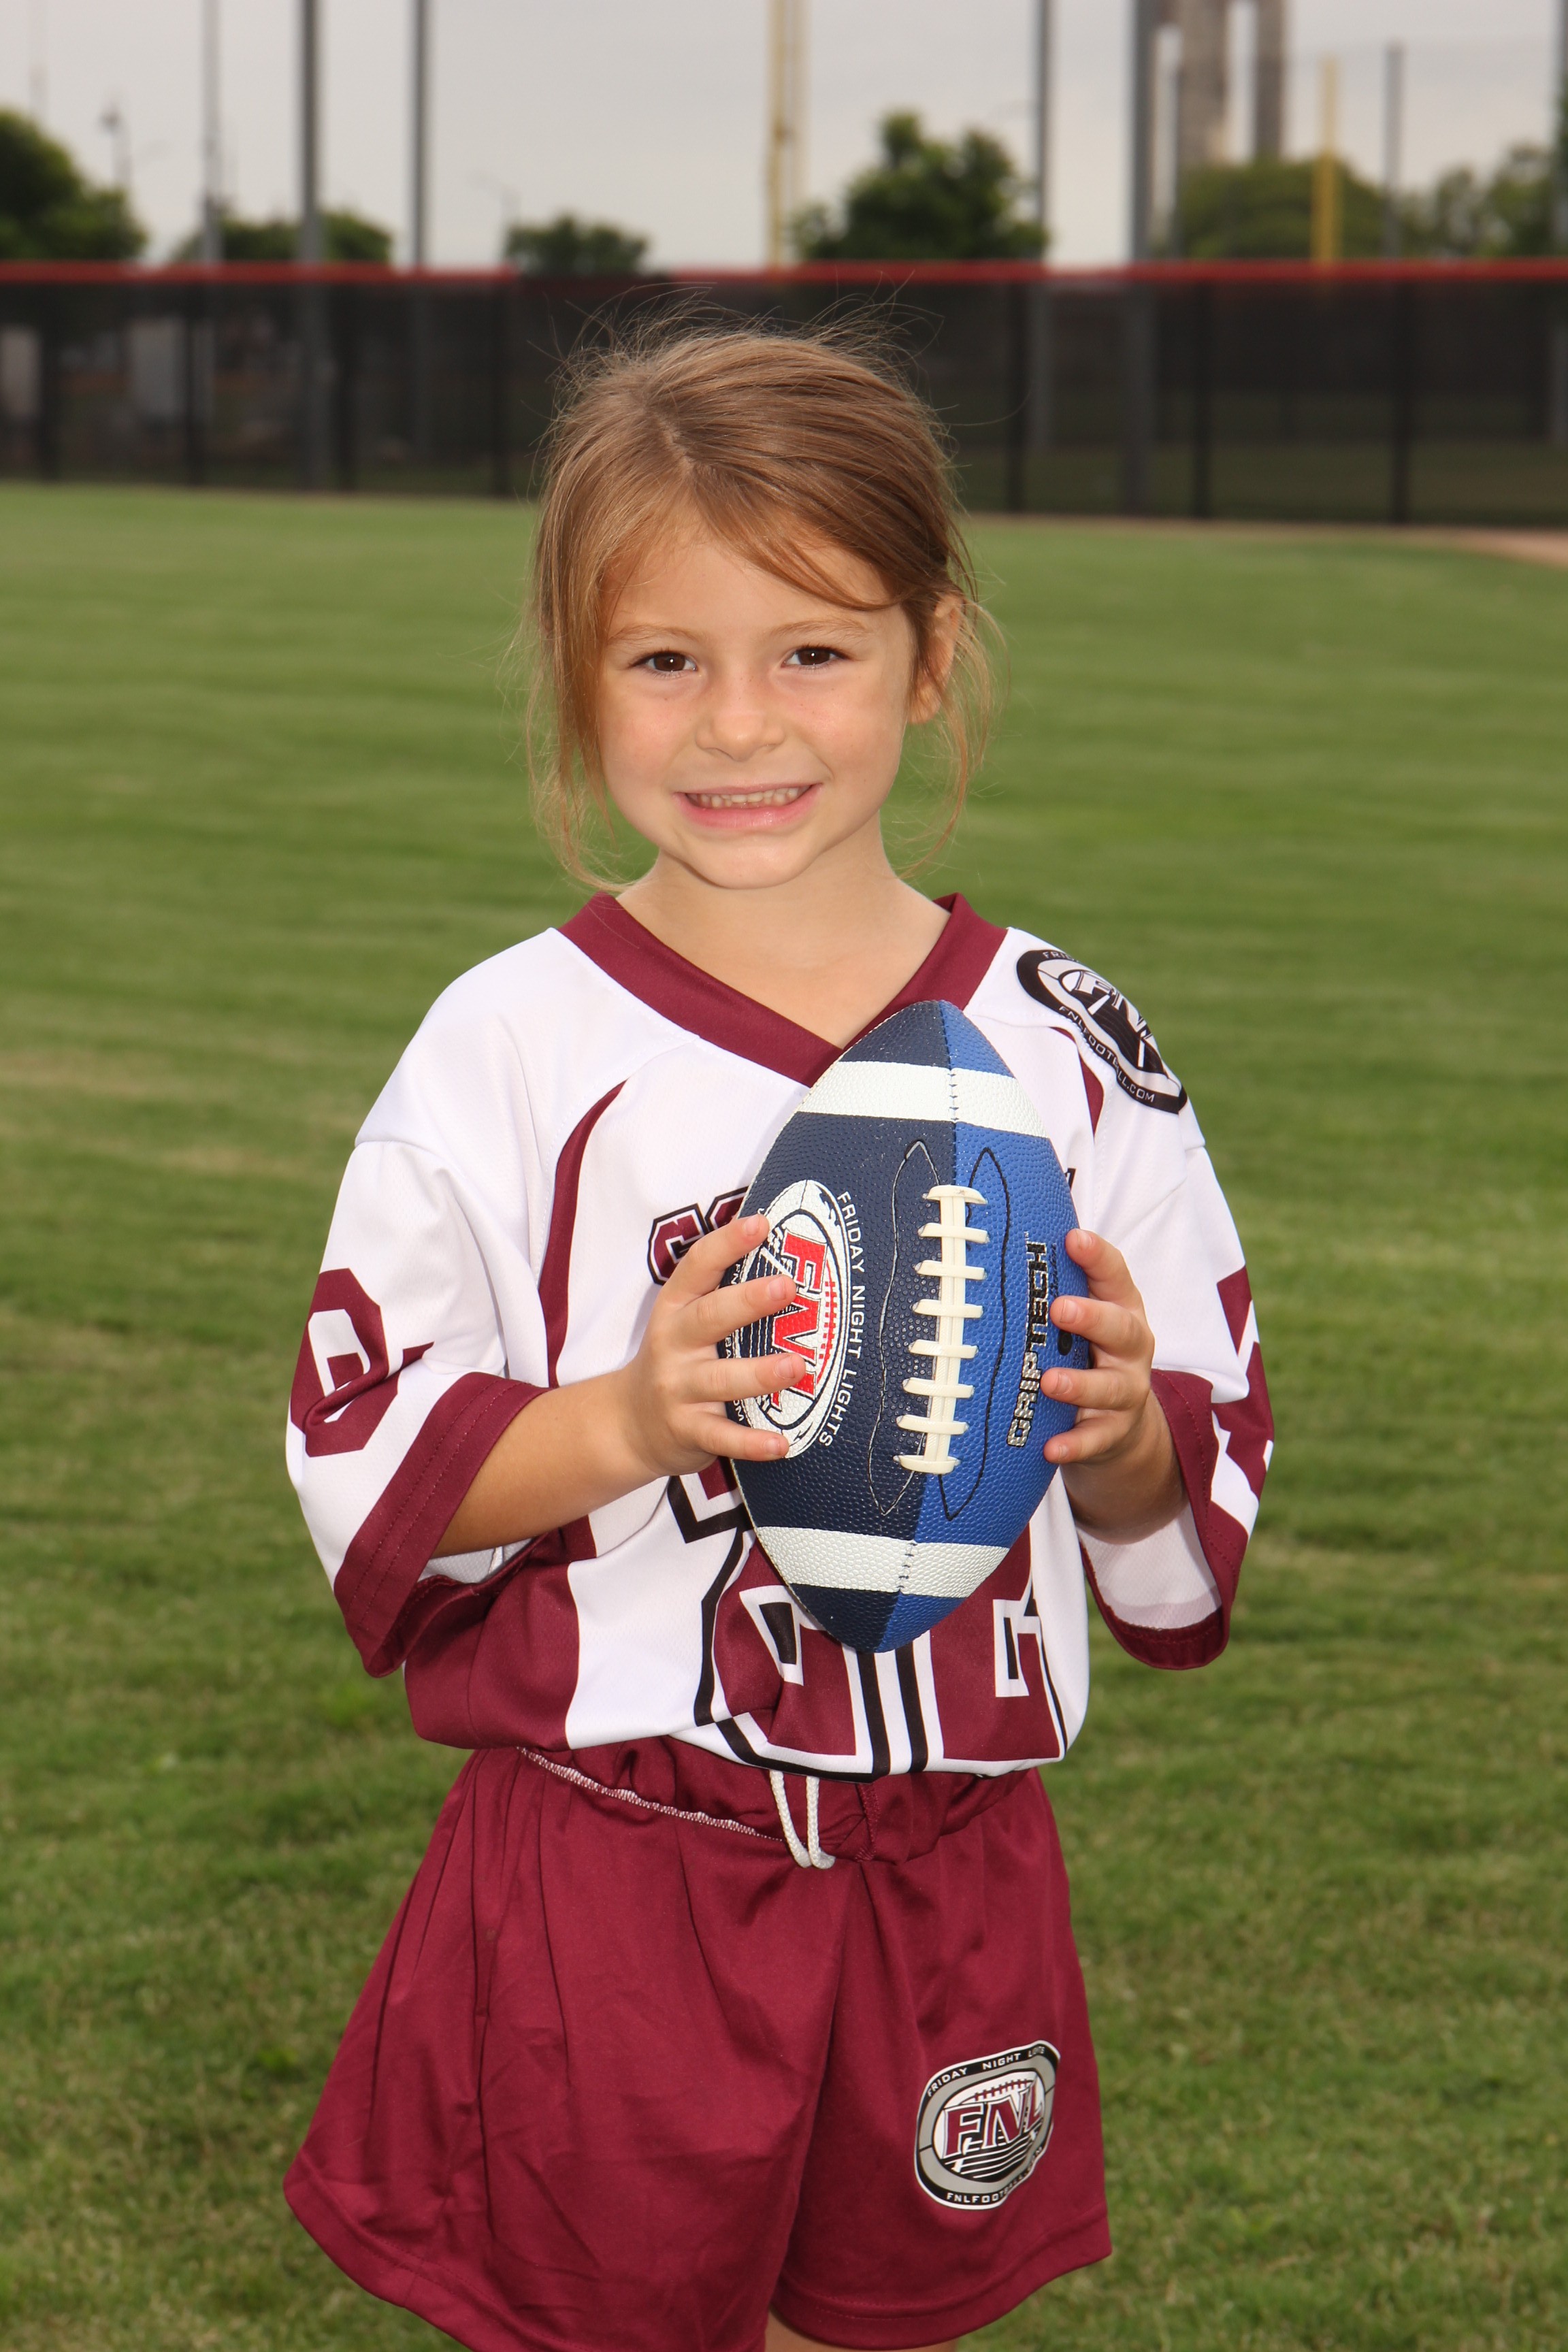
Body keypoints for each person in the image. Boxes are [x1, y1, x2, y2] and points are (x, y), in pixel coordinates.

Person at [283, 323, 1272, 2352]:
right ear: (576, 679)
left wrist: (1121, 1442)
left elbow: (1186, 1503)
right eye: (665, 659)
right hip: (620, 1860)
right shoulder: (511, 1042)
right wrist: (633, 1416)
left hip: (951, 1868)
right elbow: (375, 1468)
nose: (741, 719)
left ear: (930, 654)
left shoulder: (1069, 1043)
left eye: (813, 649)